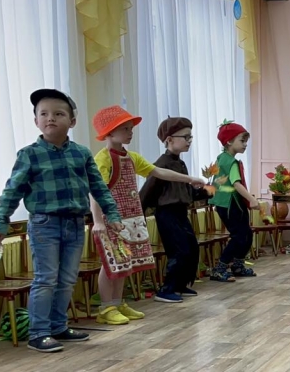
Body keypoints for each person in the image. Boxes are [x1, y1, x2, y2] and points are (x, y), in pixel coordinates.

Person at [0, 90, 122, 352]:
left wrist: (113, 214)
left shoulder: (81, 154)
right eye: (44, 114)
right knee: (46, 278)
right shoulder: (29, 154)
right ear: (36, 121)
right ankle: (38, 332)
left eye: (58, 114)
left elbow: (98, 187)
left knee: (67, 279)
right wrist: (0, 223)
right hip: (44, 224)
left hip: (75, 223)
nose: (50, 118)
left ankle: (58, 326)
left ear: (72, 121)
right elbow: (12, 191)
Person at [90, 106, 208, 324]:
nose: (130, 132)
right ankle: (106, 308)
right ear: (109, 132)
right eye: (125, 129)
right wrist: (97, 221)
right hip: (110, 220)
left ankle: (118, 302)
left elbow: (158, 171)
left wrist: (189, 179)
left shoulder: (131, 157)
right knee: (111, 265)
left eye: (131, 128)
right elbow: (96, 191)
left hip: (128, 221)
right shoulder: (103, 159)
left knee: (125, 263)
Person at [139, 117, 211, 304]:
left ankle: (180, 285)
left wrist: (207, 191)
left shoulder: (180, 163)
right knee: (179, 250)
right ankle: (167, 289)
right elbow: (147, 191)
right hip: (167, 214)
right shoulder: (161, 164)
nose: (189, 141)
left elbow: (186, 192)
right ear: (169, 139)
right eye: (185, 137)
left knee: (191, 248)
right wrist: (139, 213)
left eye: (190, 137)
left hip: (180, 212)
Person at [208, 120, 259, 281]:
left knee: (246, 234)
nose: (245, 144)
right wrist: (252, 199)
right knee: (239, 236)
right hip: (229, 204)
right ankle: (220, 268)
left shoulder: (222, 158)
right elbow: (236, 184)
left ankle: (238, 265)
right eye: (242, 141)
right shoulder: (230, 162)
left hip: (230, 203)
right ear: (229, 141)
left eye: (246, 141)